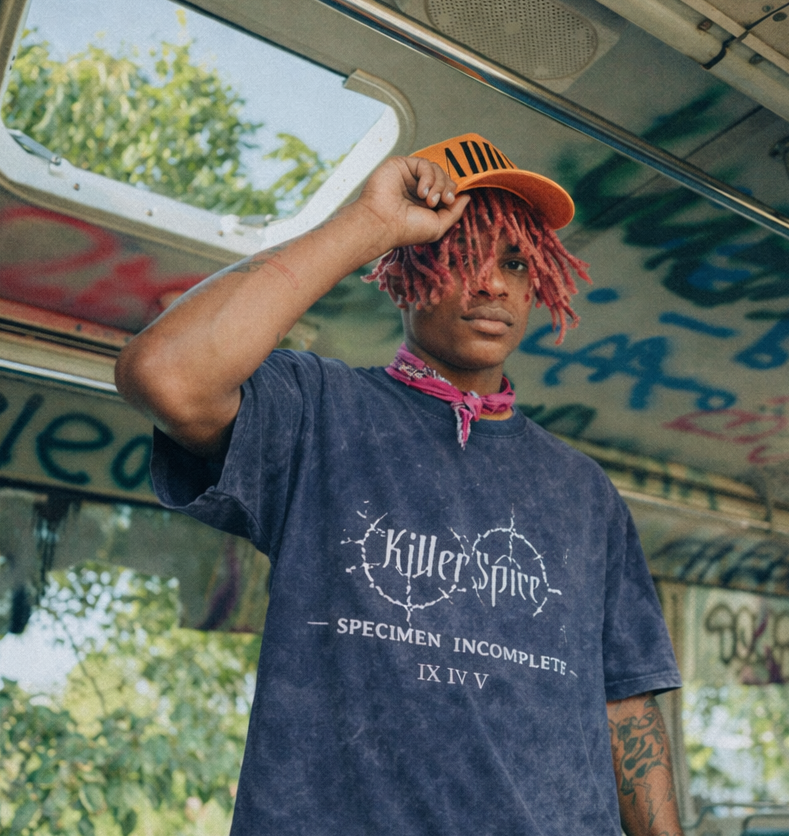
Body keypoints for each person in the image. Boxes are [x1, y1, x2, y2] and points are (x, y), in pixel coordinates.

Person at [116, 133, 684, 836]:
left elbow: (625, 704)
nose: (492, 283)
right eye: (461, 254)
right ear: (407, 272)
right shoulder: (322, 414)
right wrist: (370, 225)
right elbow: (164, 376)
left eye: (514, 261)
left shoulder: (586, 492)